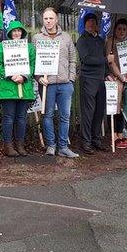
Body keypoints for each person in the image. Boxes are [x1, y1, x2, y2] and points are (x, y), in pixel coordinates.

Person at [33, 8, 79, 158]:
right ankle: (51, 145)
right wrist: (39, 77)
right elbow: (33, 61)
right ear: (43, 20)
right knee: (48, 115)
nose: (48, 21)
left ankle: (63, 147)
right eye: (46, 18)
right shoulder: (37, 38)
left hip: (65, 84)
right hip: (48, 84)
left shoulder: (65, 38)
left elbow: (73, 59)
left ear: (56, 19)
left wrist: (71, 78)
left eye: (51, 18)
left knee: (65, 116)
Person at [0, 20, 36, 157]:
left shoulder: (29, 47)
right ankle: (8, 146)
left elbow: (33, 64)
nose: (17, 33)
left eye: (19, 31)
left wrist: (24, 77)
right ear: (10, 33)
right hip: (8, 88)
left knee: (21, 118)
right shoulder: (3, 46)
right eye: (14, 31)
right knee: (9, 118)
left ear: (22, 33)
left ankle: (20, 144)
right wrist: (11, 76)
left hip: (24, 88)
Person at [76, 13, 109, 154]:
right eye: (88, 22)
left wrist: (107, 73)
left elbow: (104, 61)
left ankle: (96, 139)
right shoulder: (82, 40)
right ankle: (86, 141)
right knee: (88, 112)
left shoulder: (101, 41)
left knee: (99, 111)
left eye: (93, 22)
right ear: (85, 24)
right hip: (88, 79)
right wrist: (106, 59)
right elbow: (86, 59)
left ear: (96, 24)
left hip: (101, 79)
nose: (90, 24)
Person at [105, 18, 127, 148]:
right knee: (114, 107)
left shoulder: (125, 43)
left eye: (124, 29)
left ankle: (121, 134)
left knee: (123, 107)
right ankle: (114, 136)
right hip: (115, 79)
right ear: (115, 29)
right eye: (119, 29)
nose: (122, 31)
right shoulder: (111, 42)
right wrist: (122, 78)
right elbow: (111, 63)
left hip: (126, 79)